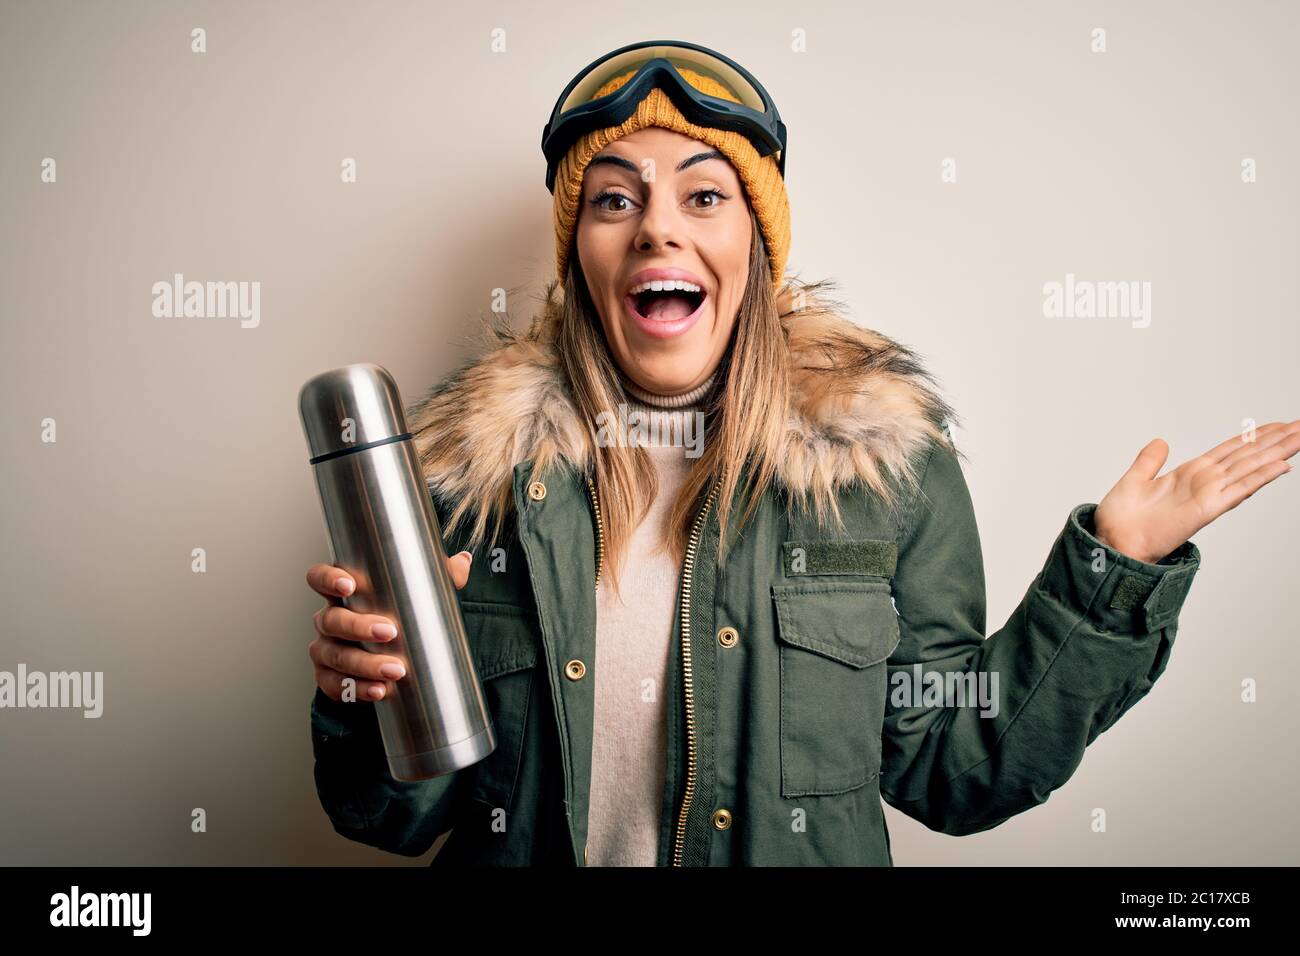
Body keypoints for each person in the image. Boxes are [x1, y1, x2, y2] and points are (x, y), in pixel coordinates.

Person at [304, 41, 1298, 866]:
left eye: (704, 197)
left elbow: (955, 769)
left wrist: (1106, 580)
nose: (657, 225)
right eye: (613, 200)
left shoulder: (884, 470)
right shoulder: (459, 479)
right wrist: (361, 693)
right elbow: (391, 815)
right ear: (578, 254)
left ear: (757, 243)